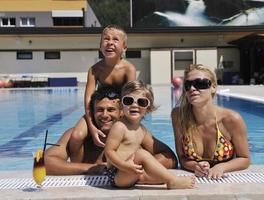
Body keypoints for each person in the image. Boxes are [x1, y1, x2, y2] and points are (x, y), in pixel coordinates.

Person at [45, 86, 177, 175]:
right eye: (100, 110)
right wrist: (92, 169)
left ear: (121, 112)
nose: (105, 115)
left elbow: (169, 157)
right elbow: (45, 162)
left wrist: (132, 168)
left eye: (111, 110)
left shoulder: (136, 133)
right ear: (91, 113)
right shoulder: (78, 135)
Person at [104, 80, 195, 189]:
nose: (134, 105)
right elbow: (109, 151)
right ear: (121, 105)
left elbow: (165, 152)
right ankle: (172, 181)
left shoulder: (142, 130)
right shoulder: (119, 126)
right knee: (141, 154)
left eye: (141, 102)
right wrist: (124, 166)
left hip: (131, 173)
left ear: (148, 108)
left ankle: (147, 179)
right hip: (117, 173)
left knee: (160, 177)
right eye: (128, 101)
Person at [69, 25, 136, 162]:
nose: (110, 42)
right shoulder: (95, 70)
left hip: (121, 112)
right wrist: (92, 127)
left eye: (115, 39)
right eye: (106, 39)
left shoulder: (128, 69)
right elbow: (88, 100)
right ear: (100, 46)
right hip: (99, 111)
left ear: (124, 48)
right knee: (76, 136)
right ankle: (78, 168)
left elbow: (131, 99)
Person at [171, 64, 250, 179]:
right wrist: (196, 167)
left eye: (200, 83)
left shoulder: (231, 119)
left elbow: (245, 159)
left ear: (213, 87)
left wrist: (222, 167)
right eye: (188, 85)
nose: (192, 89)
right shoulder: (179, 116)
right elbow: (182, 158)